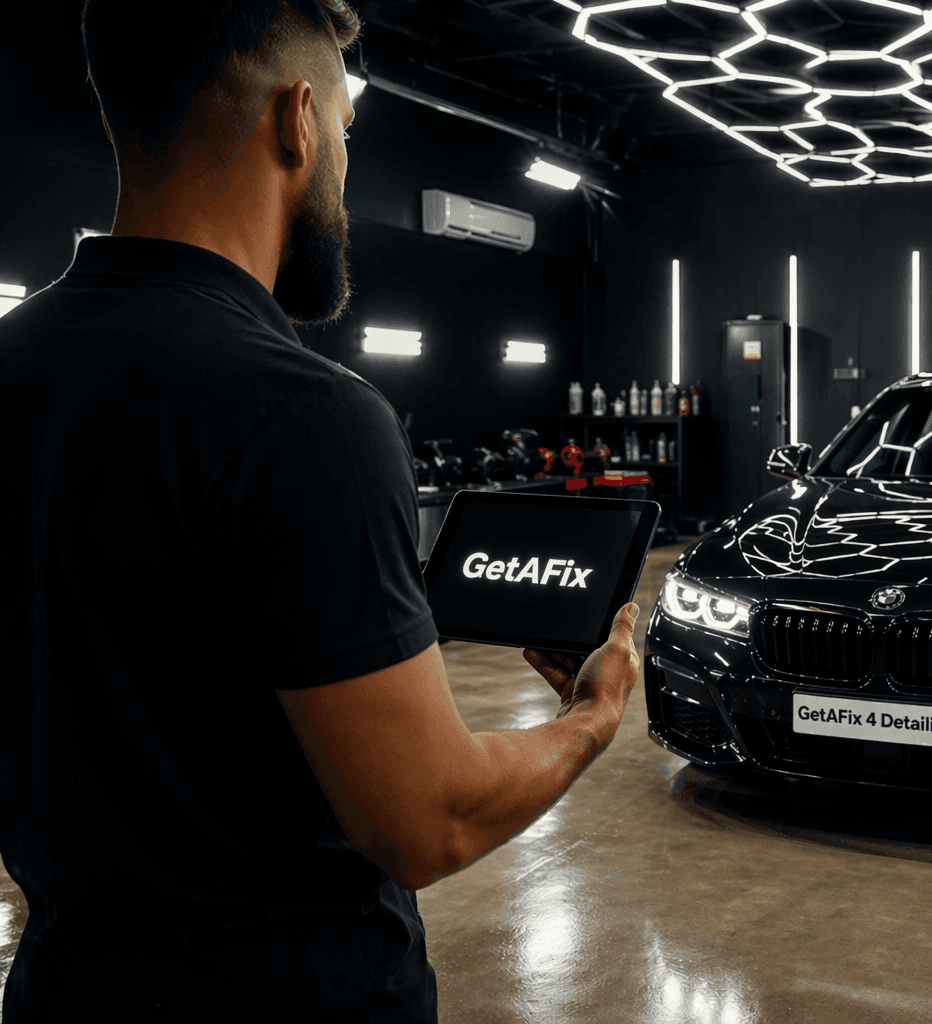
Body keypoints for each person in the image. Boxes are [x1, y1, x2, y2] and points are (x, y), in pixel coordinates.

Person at [0, 1, 638, 1020]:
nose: (340, 164)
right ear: (298, 122)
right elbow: (427, 819)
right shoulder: (303, 416)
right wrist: (592, 721)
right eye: (344, 130)